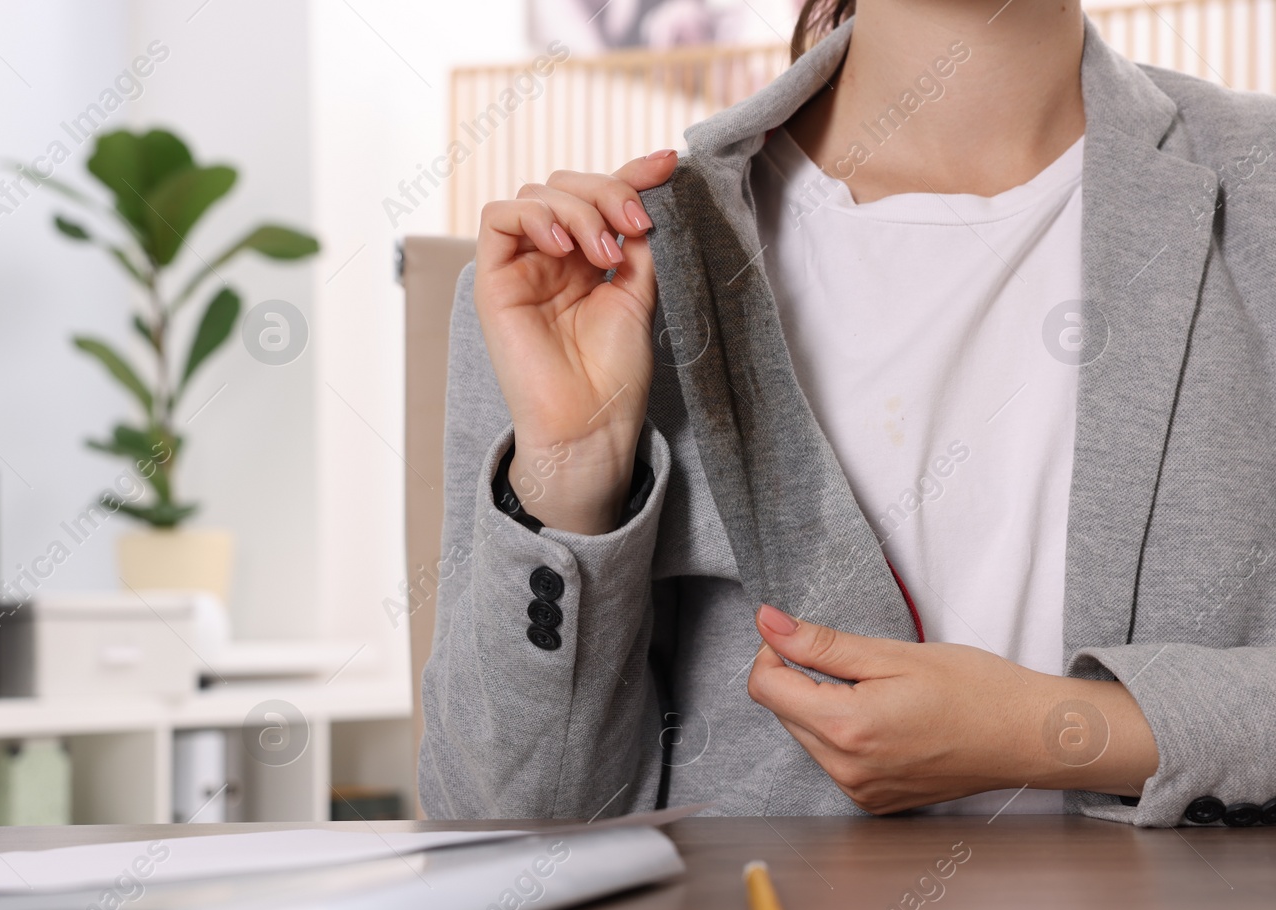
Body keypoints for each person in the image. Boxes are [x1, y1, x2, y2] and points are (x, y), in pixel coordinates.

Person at [419, 0, 1276, 827]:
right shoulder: (594, 284)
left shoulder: (1259, 191)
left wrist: (1059, 731)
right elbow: (503, 820)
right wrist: (575, 470)